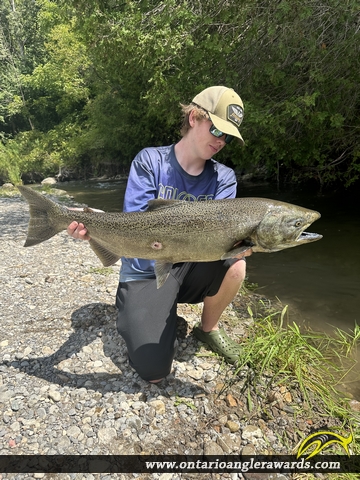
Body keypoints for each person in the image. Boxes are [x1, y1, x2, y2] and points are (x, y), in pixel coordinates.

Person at [67, 85, 252, 383]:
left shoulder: (224, 178)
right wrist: (99, 227)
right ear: (194, 118)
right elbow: (134, 224)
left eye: (228, 136)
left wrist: (240, 243)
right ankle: (147, 309)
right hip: (145, 271)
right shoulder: (150, 162)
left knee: (237, 264)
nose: (221, 141)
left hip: (191, 266)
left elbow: (221, 235)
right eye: (217, 130)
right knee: (154, 372)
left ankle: (209, 329)